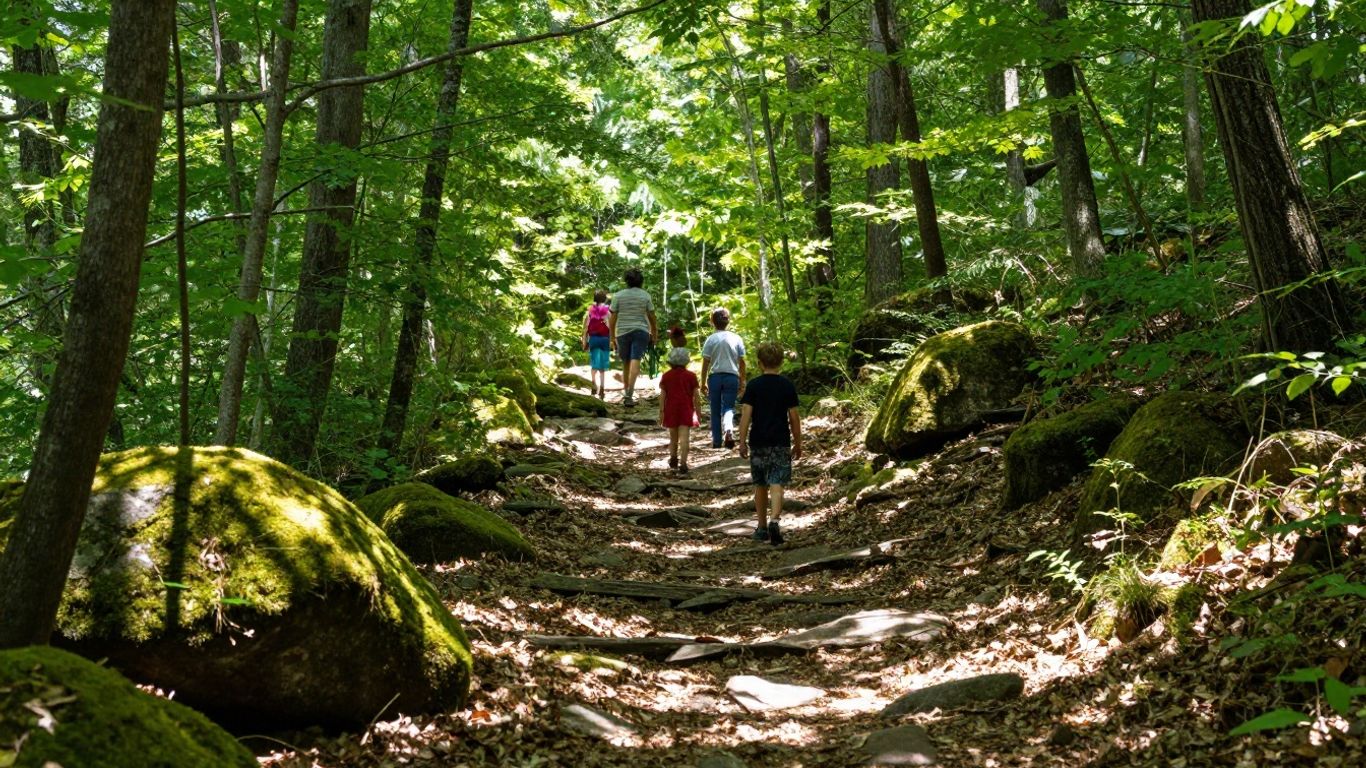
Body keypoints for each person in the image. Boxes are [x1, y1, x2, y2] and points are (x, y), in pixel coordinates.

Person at [736, 341, 801, 545]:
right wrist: (798, 442)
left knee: (760, 485)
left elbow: (746, 414)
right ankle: (775, 519)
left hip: (758, 442)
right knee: (777, 483)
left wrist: (742, 441)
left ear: (759, 363)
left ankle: (762, 527)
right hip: (780, 441)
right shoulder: (787, 385)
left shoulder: (754, 386)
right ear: (781, 362)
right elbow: (794, 417)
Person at [608, 267, 657, 408]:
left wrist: (612, 337)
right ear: (641, 281)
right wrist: (654, 332)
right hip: (641, 331)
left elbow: (613, 318)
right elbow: (651, 316)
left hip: (622, 332)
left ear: (627, 281)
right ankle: (629, 394)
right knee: (636, 360)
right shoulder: (645, 295)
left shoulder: (618, 295)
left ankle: (626, 392)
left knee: (626, 362)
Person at [700, 307, 746, 449]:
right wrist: (742, 380)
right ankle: (729, 430)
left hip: (714, 378)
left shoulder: (710, 339)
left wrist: (702, 382)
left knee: (714, 409)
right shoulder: (736, 338)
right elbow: (742, 361)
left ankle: (717, 441)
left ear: (712, 322)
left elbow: (706, 362)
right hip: (732, 377)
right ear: (728, 321)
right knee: (728, 407)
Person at [658, 346, 701, 475]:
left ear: (670, 362)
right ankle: (683, 463)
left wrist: (661, 411)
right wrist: (698, 412)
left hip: (671, 409)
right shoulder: (691, 376)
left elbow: (662, 395)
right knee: (685, 437)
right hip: (686, 409)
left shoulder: (666, 376)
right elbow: (696, 396)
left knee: (673, 436)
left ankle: (673, 458)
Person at [581, 289, 612, 399]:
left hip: (593, 338)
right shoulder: (607, 312)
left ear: (594, 299)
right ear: (604, 299)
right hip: (604, 339)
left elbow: (585, 328)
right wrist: (612, 341)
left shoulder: (590, 311)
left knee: (594, 363)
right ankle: (602, 388)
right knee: (602, 365)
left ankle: (594, 385)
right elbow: (611, 327)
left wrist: (584, 341)